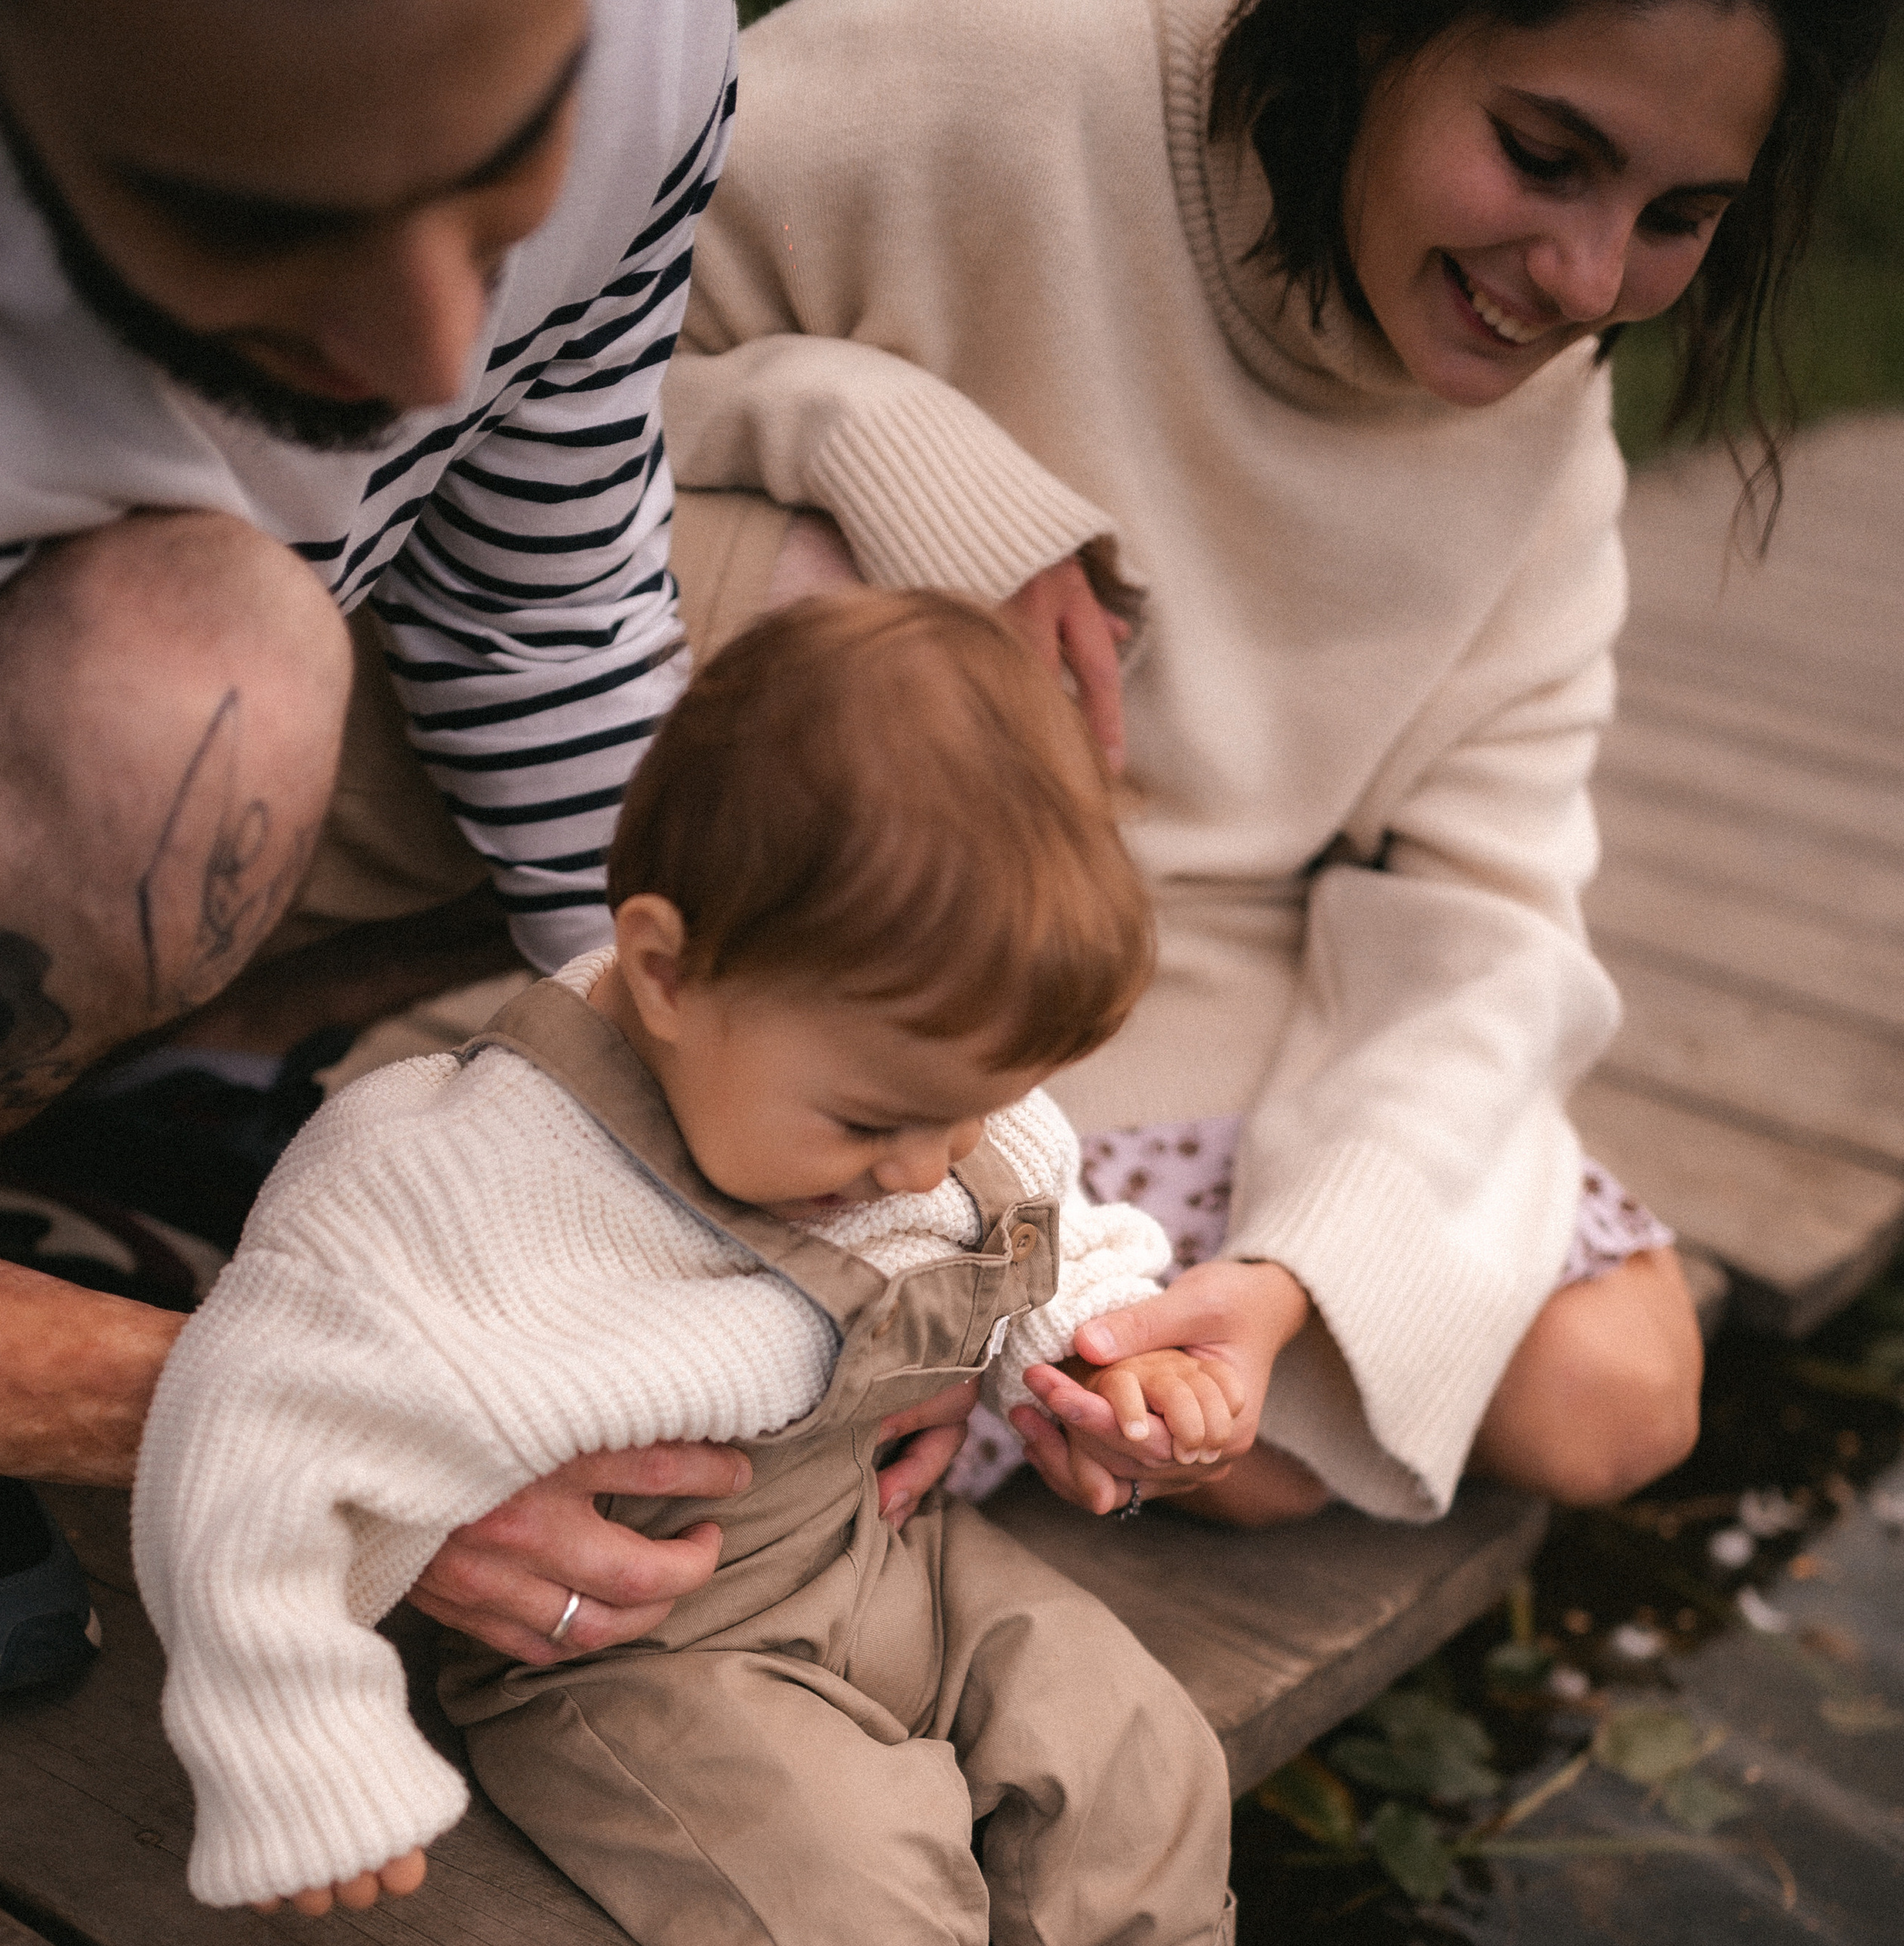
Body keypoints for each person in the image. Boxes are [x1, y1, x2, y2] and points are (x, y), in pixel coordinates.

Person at [133, 594, 1245, 1946]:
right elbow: (245, 1413)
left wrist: (1123, 1353)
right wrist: (295, 1726)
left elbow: (1043, 1220)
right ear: (660, 968)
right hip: (640, 1653)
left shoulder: (912, 1087)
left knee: (1122, 1720)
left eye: (956, 1117)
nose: (912, 1166)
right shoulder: (463, 1179)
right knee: (852, 1866)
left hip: (871, 1550)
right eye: (873, 1123)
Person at [663, 0, 1887, 1533]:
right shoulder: (991, 75)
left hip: (1184, 973)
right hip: (814, 945)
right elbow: (514, 379)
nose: (1583, 281)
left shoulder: (1545, 418)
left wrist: (1294, 1279)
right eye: (1541, 155)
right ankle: (915, 1320)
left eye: (1678, 216)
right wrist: (853, 428)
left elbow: (1495, 909)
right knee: (835, 610)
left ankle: (1014, 1362)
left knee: (1616, 1385)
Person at [0, 0, 980, 1706]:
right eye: (258, 219)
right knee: (187, 695)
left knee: (824, 677)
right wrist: (306, 1422)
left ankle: (101, 1127)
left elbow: (545, 597)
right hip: (108, 705)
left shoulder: (646, 44)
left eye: (507, 184)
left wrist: (843, 1175)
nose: (437, 355)